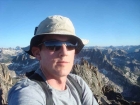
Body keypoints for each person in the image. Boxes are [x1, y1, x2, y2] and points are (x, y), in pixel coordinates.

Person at [8, 15, 99, 105]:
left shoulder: (78, 83)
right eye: (53, 44)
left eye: (71, 45)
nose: (64, 52)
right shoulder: (27, 92)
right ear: (37, 53)